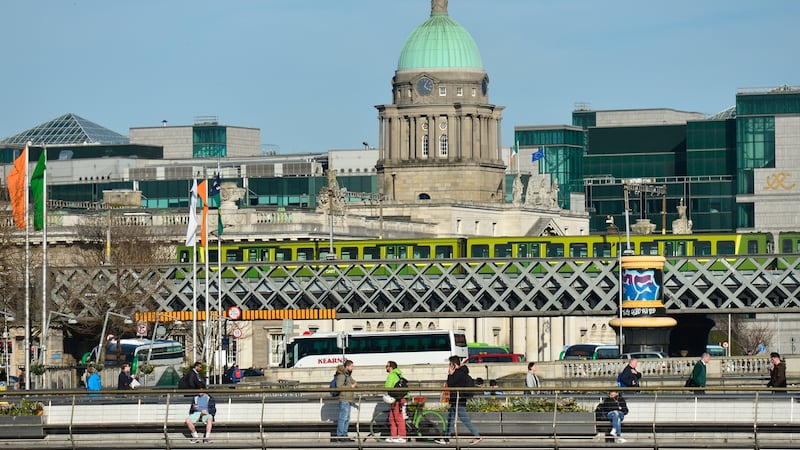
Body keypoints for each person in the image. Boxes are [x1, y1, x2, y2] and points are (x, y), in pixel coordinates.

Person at [435, 356, 482, 446]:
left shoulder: (458, 373)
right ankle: (446, 438)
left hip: (458, 400)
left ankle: (477, 436)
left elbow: (450, 385)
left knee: (464, 419)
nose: (449, 366)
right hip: (457, 400)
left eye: (450, 364)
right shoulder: (462, 372)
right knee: (450, 419)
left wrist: (450, 374)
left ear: (454, 365)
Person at [334, 360, 358, 441]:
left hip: (348, 399)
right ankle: (340, 435)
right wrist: (351, 386)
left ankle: (344, 434)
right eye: (351, 366)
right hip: (344, 398)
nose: (352, 368)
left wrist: (355, 385)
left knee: (346, 418)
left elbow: (353, 382)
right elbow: (339, 386)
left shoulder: (347, 375)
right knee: (343, 418)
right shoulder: (342, 375)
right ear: (347, 366)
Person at [384, 360, 407, 443]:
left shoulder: (392, 375)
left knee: (397, 418)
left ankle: (402, 436)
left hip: (396, 399)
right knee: (392, 417)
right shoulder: (398, 374)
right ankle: (394, 436)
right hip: (400, 398)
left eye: (387, 366)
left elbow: (388, 387)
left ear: (391, 367)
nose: (386, 368)